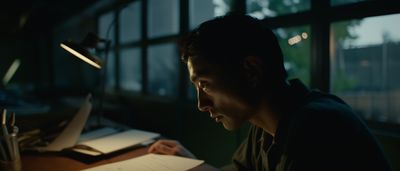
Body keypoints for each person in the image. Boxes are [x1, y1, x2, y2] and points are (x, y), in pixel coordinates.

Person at [148, 14, 391, 171]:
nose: (202, 104)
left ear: (251, 70)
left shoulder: (316, 126)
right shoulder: (266, 127)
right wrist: (191, 162)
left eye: (205, 84)